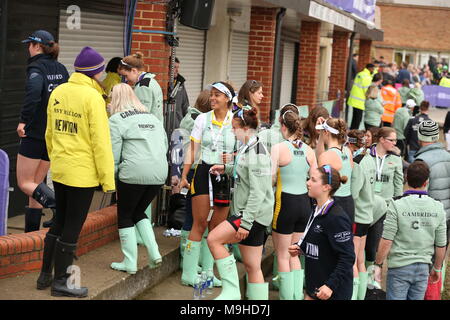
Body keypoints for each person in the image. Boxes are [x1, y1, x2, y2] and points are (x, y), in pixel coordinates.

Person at [37, 47, 115, 297]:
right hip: (82, 174)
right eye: (101, 70)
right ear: (95, 72)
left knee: (59, 221)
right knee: (72, 226)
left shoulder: (59, 91)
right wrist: (107, 180)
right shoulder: (93, 98)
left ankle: (44, 276)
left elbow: (50, 133)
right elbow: (101, 143)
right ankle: (61, 283)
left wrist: (57, 158)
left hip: (60, 170)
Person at [207, 107, 274, 300]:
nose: (232, 132)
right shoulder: (249, 147)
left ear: (245, 128)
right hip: (252, 214)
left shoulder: (258, 153)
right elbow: (245, 172)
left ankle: (231, 292)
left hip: (250, 215)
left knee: (213, 239)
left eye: (234, 128)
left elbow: (258, 192)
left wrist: (245, 223)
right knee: (253, 267)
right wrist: (227, 168)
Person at [178, 82, 237, 287]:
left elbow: (244, 150)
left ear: (227, 99)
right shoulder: (203, 118)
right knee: (199, 223)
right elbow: (192, 150)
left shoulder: (235, 120)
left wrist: (233, 156)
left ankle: (208, 273)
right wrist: (184, 175)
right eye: (211, 95)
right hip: (203, 172)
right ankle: (189, 273)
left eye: (217, 95)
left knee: (217, 228)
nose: (212, 99)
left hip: (224, 175)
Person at [108, 83, 167, 274]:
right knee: (139, 211)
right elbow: (164, 145)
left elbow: (114, 154)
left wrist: (113, 177)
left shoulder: (116, 120)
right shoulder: (153, 117)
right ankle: (154, 252)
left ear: (115, 99)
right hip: (159, 172)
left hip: (133, 172)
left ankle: (130, 262)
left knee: (125, 214)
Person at [17, 30, 69, 232]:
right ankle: (32, 234)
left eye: (29, 45)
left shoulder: (36, 68)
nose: (28, 49)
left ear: (37, 46)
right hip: (52, 134)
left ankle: (58, 205)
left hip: (35, 133)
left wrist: (23, 121)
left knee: (24, 183)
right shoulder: (61, 68)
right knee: (36, 185)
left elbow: (33, 93)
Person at [373, 161, 447, 300]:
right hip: (423, 267)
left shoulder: (396, 204)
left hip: (399, 267)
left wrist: (378, 264)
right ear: (426, 182)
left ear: (406, 179)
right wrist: (437, 268)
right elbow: (441, 244)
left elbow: (387, 239)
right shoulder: (438, 207)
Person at [288, 165, 355, 300]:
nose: (308, 183)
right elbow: (322, 245)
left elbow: (348, 257)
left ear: (326, 187)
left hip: (333, 292)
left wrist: (330, 286)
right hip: (315, 286)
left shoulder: (337, 217)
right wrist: (302, 247)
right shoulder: (316, 209)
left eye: (313, 180)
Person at [270, 109, 317, 300]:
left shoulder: (279, 148)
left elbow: (271, 179)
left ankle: (287, 297)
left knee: (282, 255)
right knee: (294, 254)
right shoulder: (308, 150)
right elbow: (314, 178)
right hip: (304, 204)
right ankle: (297, 296)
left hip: (285, 203)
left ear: (283, 127)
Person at [176, 90, 211, 269]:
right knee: (194, 215)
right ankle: (188, 258)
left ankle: (189, 257)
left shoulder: (189, 118)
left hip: (190, 167)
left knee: (193, 214)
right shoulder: (198, 122)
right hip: (195, 169)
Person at [364, 127, 403, 268]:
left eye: (395, 140)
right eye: (391, 140)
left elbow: (398, 184)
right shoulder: (366, 154)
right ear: (381, 139)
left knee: (373, 246)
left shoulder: (396, 158)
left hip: (384, 209)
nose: (394, 143)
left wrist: (397, 205)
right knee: (359, 242)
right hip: (366, 204)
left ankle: (370, 278)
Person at [349, 134, 377, 300]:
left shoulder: (358, 162)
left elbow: (354, 192)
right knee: (360, 259)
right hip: (367, 214)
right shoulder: (370, 159)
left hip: (358, 214)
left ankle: (352, 295)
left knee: (353, 259)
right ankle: (361, 295)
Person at [414, 120, 450, 241]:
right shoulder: (448, 155)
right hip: (447, 216)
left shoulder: (421, 161)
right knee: (441, 253)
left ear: (419, 136)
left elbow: (418, 196)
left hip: (428, 218)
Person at [316, 118, 354, 224]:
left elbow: (320, 181)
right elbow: (320, 156)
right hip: (348, 202)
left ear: (327, 132)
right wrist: (321, 135)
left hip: (333, 203)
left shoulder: (327, 155)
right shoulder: (347, 151)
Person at [118, 52, 163, 122]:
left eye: (125, 76)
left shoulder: (143, 86)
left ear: (134, 70)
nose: (126, 79)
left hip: (147, 130)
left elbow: (140, 114)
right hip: (155, 128)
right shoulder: (151, 81)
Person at [347, 63, 375, 130]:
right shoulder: (367, 77)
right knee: (357, 120)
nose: (373, 70)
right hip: (359, 101)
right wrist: (371, 97)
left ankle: (351, 132)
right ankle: (354, 134)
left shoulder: (360, 74)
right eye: (373, 69)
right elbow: (367, 90)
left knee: (354, 119)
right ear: (370, 68)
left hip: (354, 99)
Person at [171, 57, 190, 130]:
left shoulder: (180, 83)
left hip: (178, 125)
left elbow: (185, 105)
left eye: (178, 67)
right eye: (174, 67)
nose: (177, 70)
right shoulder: (164, 82)